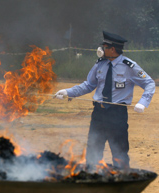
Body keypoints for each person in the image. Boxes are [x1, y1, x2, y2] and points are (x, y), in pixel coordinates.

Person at [55, 31, 156, 169]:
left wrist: (143, 102)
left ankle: (121, 182)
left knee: (119, 152)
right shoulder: (100, 64)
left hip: (117, 114)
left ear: (112, 49)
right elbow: (89, 85)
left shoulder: (129, 66)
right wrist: (68, 92)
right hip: (98, 114)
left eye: (105, 46)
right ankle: (92, 178)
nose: (101, 50)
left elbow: (149, 83)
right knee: (93, 150)